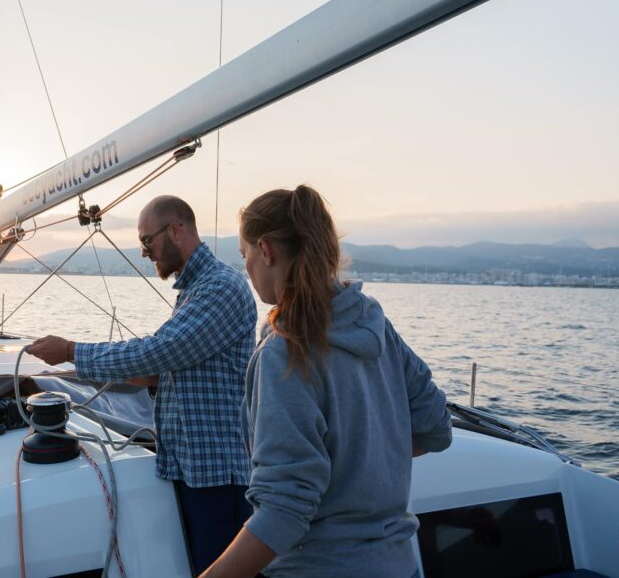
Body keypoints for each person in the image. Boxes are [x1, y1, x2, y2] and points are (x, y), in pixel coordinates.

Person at [201, 186, 453, 578]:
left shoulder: (284, 352)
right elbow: (436, 426)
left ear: (265, 250)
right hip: (399, 566)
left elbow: (284, 511)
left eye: (244, 253)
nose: (245, 266)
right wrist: (361, 464)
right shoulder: (374, 325)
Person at [27, 195, 257, 575]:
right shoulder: (195, 291)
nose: (145, 252)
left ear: (175, 231)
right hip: (193, 472)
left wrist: (71, 351)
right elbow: (170, 365)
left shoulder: (220, 289)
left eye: (147, 241)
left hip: (218, 479)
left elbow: (161, 351)